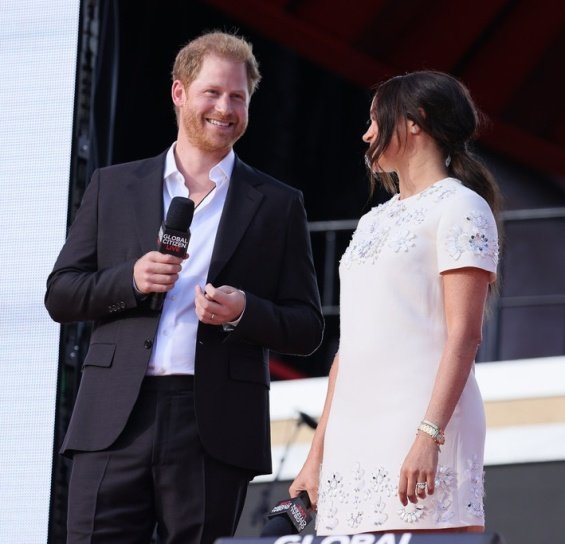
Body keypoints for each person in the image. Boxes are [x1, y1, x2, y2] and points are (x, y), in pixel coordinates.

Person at [45, 31, 323, 544]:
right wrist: (129, 280)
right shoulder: (114, 185)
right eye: (212, 93)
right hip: (114, 420)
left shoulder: (278, 203)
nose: (226, 108)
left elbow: (307, 326)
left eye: (238, 97)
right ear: (179, 93)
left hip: (212, 429)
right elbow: (61, 293)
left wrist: (243, 311)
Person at [290, 70, 501, 535]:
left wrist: (429, 436)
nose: (366, 134)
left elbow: (464, 334)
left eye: (374, 120)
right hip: (353, 437)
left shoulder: (461, 207)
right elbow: (351, 349)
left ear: (413, 121)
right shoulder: (371, 222)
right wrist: (317, 454)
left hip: (420, 427)